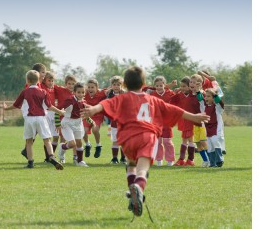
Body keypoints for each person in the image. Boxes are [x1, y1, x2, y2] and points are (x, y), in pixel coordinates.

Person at [81, 66, 210, 217]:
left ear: (125, 85)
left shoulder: (121, 98)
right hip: (147, 136)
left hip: (128, 137)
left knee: (130, 164)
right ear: (143, 83)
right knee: (142, 168)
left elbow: (105, 104)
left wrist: (93, 109)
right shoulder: (152, 99)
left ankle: (132, 191)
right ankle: (138, 188)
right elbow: (173, 110)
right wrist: (194, 117)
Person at [3, 70, 65, 170]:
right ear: (38, 81)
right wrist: (60, 112)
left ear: (27, 80)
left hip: (30, 119)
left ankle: (30, 162)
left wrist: (6, 108)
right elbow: (49, 106)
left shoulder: (25, 92)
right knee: (47, 140)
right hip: (41, 118)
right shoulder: (43, 92)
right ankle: (51, 157)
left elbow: (16, 105)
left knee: (29, 141)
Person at [57, 82, 90, 167]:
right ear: (74, 92)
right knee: (72, 144)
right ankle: (62, 147)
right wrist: (57, 123)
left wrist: (90, 121)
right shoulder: (69, 100)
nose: (81, 94)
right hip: (67, 122)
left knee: (79, 142)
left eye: (83, 92)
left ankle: (80, 161)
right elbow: (58, 110)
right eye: (79, 92)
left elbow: (83, 112)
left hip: (78, 122)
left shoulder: (83, 102)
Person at [169, 77, 197, 166]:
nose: (182, 88)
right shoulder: (179, 95)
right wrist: (175, 92)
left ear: (190, 86)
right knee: (184, 140)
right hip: (182, 120)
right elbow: (171, 102)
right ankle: (181, 159)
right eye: (181, 86)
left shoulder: (193, 95)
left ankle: (190, 159)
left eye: (184, 86)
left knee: (190, 140)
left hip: (190, 120)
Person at [149, 76, 177, 167]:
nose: (159, 87)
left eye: (161, 85)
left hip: (167, 121)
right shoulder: (152, 94)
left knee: (167, 141)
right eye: (157, 86)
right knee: (157, 141)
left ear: (165, 85)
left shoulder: (170, 93)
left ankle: (170, 160)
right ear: (155, 86)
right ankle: (159, 159)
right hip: (156, 122)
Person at [199, 88, 226, 167]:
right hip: (208, 128)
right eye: (205, 96)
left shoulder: (217, 107)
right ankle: (212, 163)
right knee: (210, 146)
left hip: (216, 127)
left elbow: (220, 103)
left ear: (213, 97)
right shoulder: (204, 107)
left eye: (208, 96)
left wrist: (215, 95)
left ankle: (220, 160)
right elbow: (200, 100)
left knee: (215, 141)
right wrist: (198, 91)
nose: (206, 98)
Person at [82, 79, 107, 159]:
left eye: (92, 87)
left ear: (97, 88)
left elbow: (111, 89)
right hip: (87, 115)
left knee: (95, 130)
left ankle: (98, 145)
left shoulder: (101, 93)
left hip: (97, 115)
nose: (90, 89)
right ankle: (87, 144)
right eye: (89, 87)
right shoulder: (84, 93)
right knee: (83, 131)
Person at [190, 74, 211, 167]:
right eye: (191, 82)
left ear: (199, 83)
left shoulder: (202, 93)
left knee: (203, 141)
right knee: (198, 143)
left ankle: (211, 159)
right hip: (194, 122)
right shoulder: (190, 94)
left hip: (202, 121)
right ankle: (205, 160)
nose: (192, 84)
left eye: (194, 82)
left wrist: (199, 91)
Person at [105, 76, 126, 164]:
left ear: (122, 85)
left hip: (124, 122)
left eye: (118, 84)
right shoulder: (109, 95)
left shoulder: (125, 94)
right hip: (114, 122)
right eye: (114, 85)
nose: (116, 86)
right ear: (111, 86)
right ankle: (114, 158)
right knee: (115, 140)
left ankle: (123, 158)